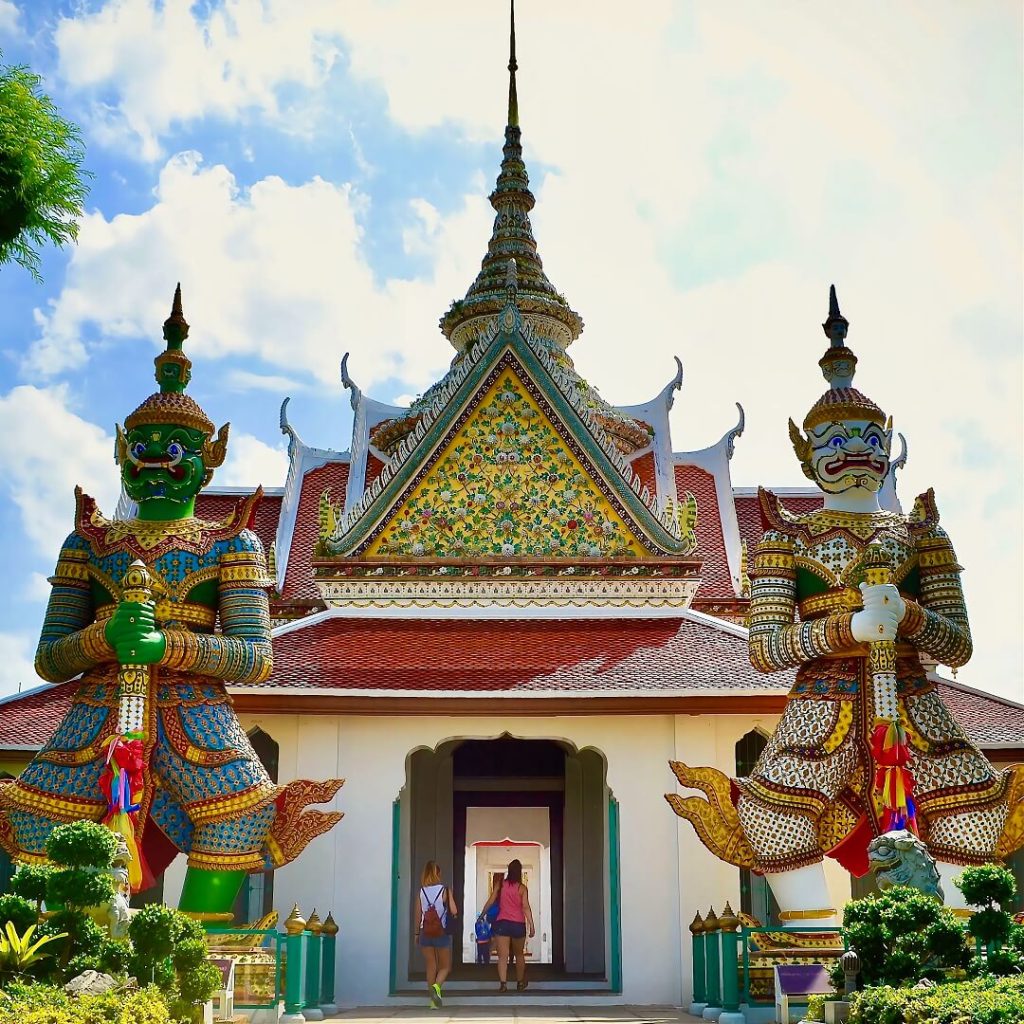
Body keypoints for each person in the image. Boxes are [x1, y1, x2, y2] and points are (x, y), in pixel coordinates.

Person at [480, 858, 535, 993]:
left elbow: (491, 901)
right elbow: (526, 907)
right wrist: (532, 925)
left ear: (509, 871)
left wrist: (482, 915)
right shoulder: (522, 888)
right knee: (519, 955)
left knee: (502, 956)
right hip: (518, 924)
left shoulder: (500, 885)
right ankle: (520, 983)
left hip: (502, 923)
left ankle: (503, 984)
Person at [415, 860, 458, 1008]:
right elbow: (454, 911)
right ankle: (436, 987)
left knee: (430, 966)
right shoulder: (444, 890)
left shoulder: (421, 892)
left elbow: (418, 915)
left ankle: (433, 1002)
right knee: (445, 967)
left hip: (425, 933)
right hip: (441, 932)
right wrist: (450, 896)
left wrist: (416, 934)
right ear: (438, 874)